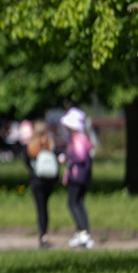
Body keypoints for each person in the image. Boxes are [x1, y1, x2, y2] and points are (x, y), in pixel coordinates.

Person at [59, 106, 95, 248]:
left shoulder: (78, 139)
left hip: (77, 176)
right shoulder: (83, 137)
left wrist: (67, 158)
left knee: (73, 202)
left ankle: (83, 231)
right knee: (79, 203)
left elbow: (79, 156)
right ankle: (82, 231)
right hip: (83, 176)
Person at [23, 119, 59, 248]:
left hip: (36, 180)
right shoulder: (50, 143)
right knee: (45, 207)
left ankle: (42, 235)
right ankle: (45, 234)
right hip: (49, 180)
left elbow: (26, 161)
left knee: (40, 208)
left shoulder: (31, 145)